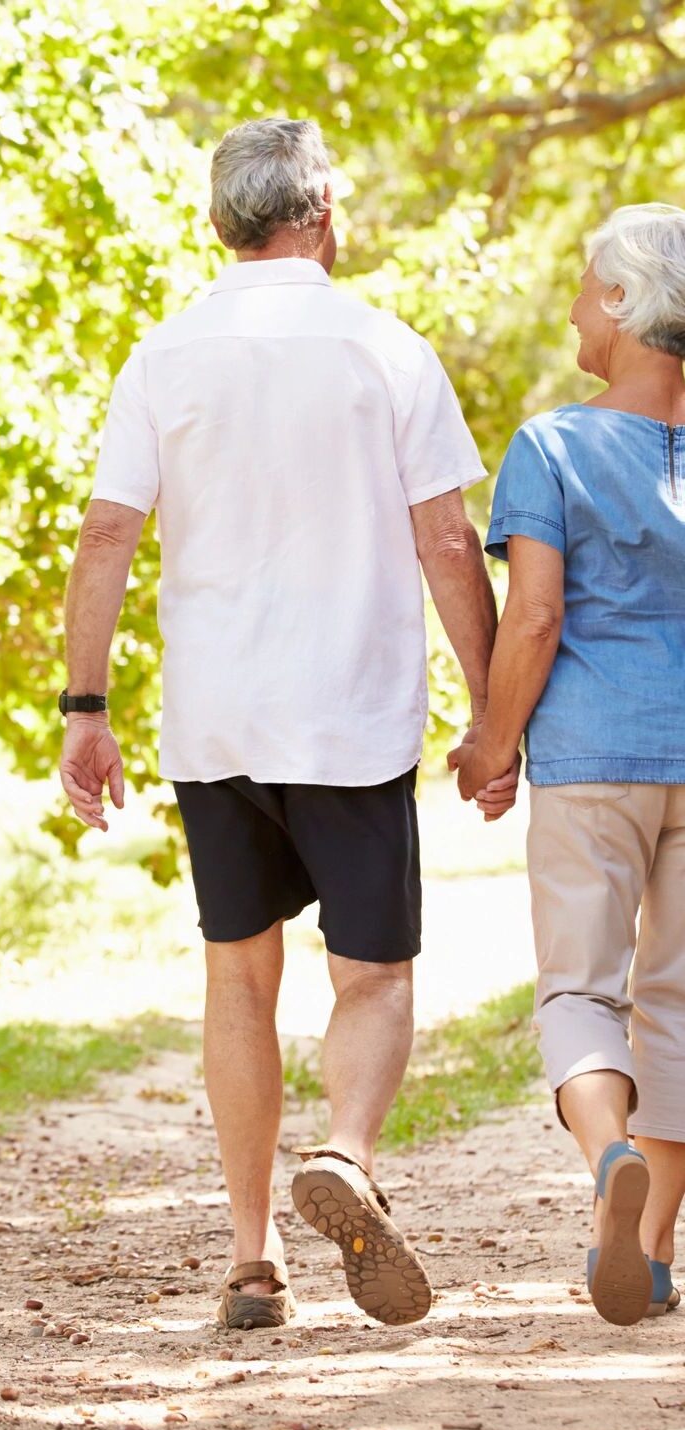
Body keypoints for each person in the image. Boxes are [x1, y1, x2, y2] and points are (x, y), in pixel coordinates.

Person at [58, 117, 503, 1330]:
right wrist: (491, 709)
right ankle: (347, 1157)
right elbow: (447, 539)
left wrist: (83, 708)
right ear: (319, 211)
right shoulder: (386, 349)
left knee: (238, 978)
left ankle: (254, 1262)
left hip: (218, 718)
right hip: (350, 715)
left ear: (225, 221)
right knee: (373, 974)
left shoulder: (164, 355)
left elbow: (107, 533)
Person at [451, 203, 685, 1327]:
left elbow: (534, 618)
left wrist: (491, 751)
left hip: (596, 759)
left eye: (590, 287)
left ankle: (606, 1162)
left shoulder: (554, 444)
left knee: (581, 991)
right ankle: (643, 1255)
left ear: (628, 305)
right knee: (681, 1005)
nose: (577, 311)